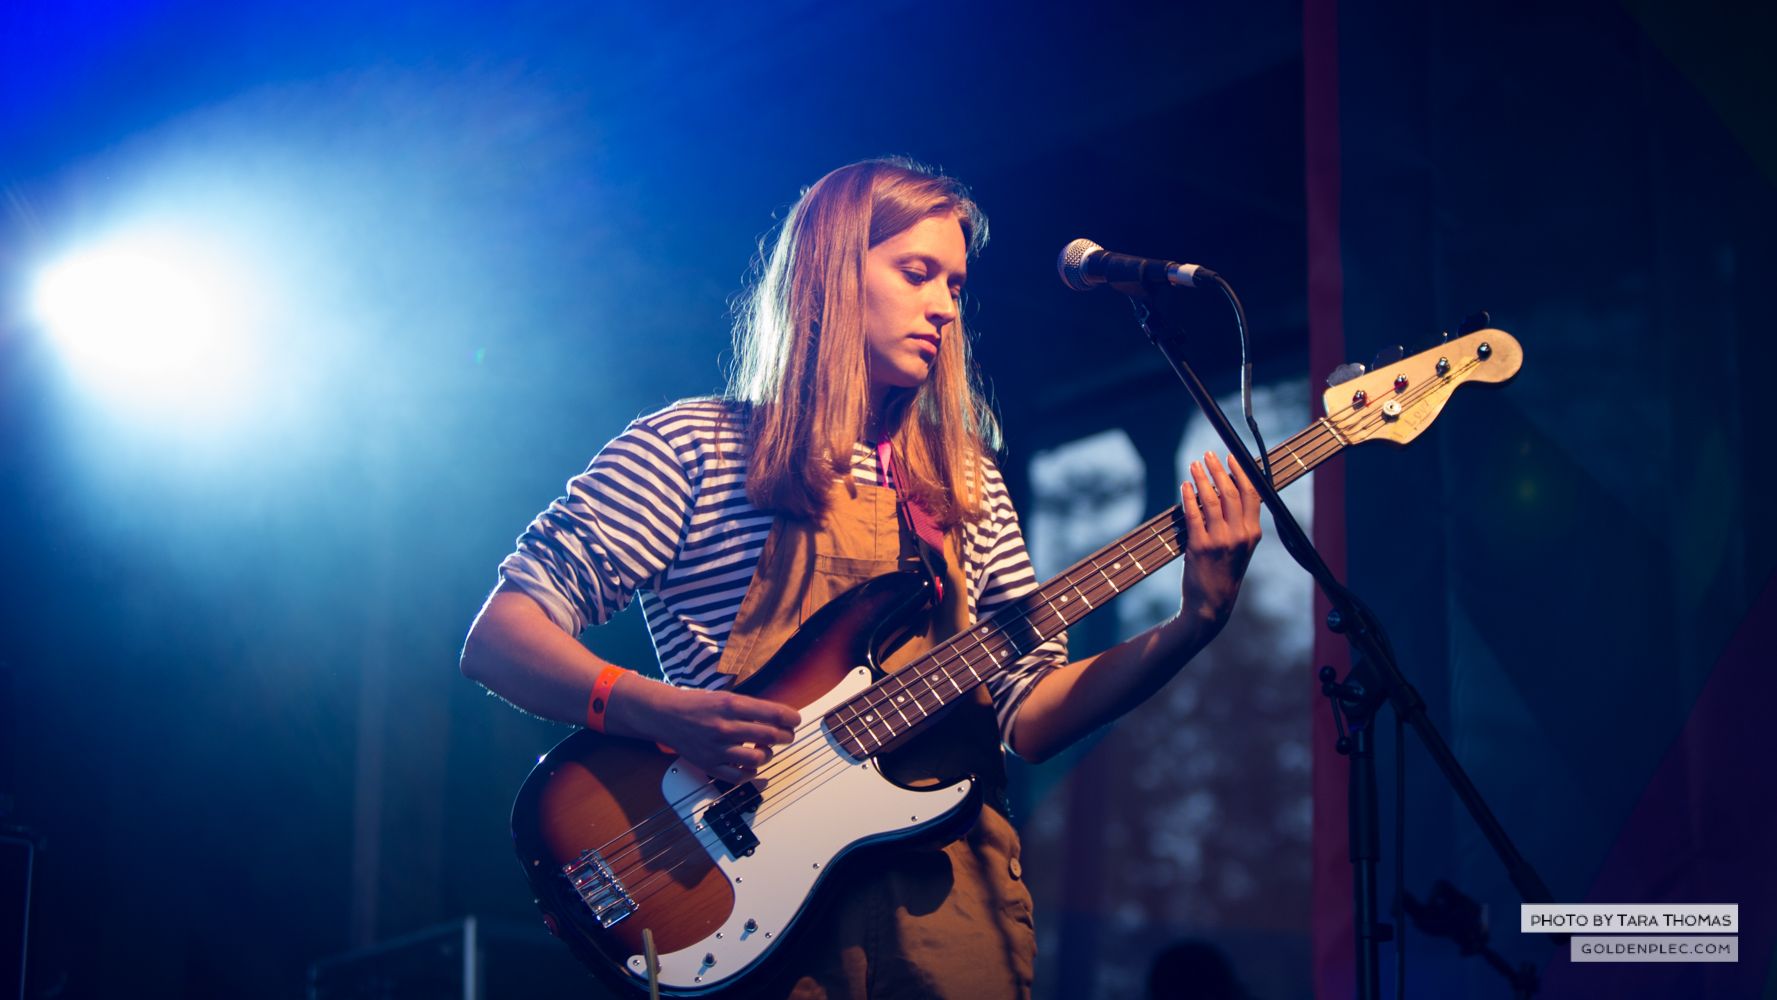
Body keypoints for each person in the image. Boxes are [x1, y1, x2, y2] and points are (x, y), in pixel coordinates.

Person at [460, 157, 1262, 998]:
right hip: (739, 915)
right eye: (917, 273)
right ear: (830, 275)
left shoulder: (966, 483)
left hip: (951, 925)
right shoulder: (692, 447)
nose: (945, 306)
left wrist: (1191, 626)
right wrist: (659, 709)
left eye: (955, 285)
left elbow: (1028, 716)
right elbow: (501, 638)